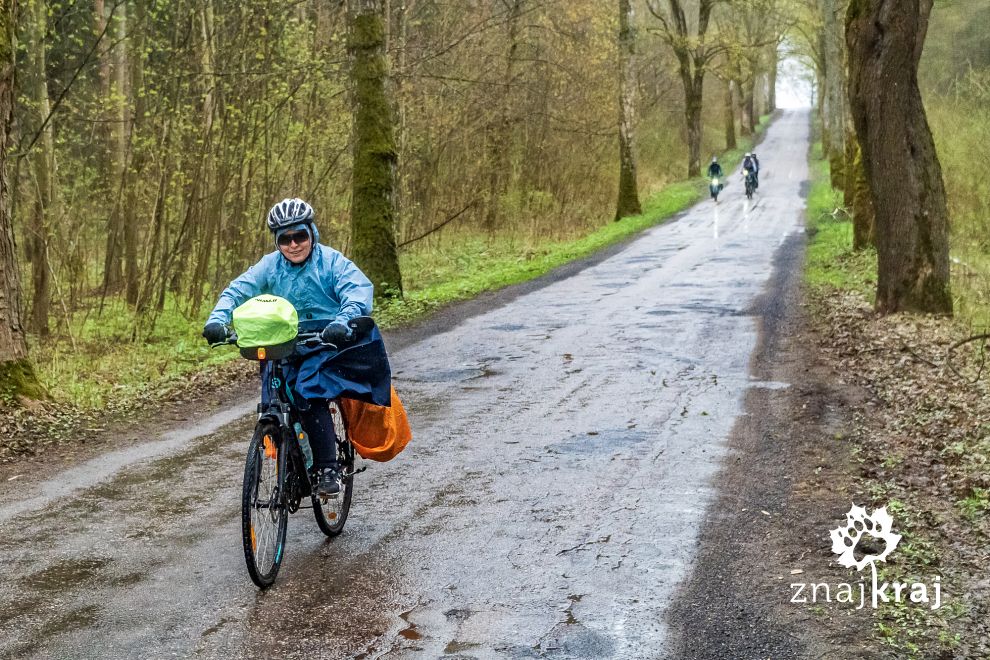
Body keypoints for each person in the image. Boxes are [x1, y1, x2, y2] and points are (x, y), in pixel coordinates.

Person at [203, 198, 390, 496]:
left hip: (326, 339)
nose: (293, 245)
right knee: (275, 396)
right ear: (277, 242)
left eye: (299, 236)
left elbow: (356, 291)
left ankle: (328, 467)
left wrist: (343, 321)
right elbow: (238, 289)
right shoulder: (269, 266)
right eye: (285, 239)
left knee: (309, 390)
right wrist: (217, 319)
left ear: (312, 233)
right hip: (284, 341)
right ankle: (291, 462)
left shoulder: (332, 262)